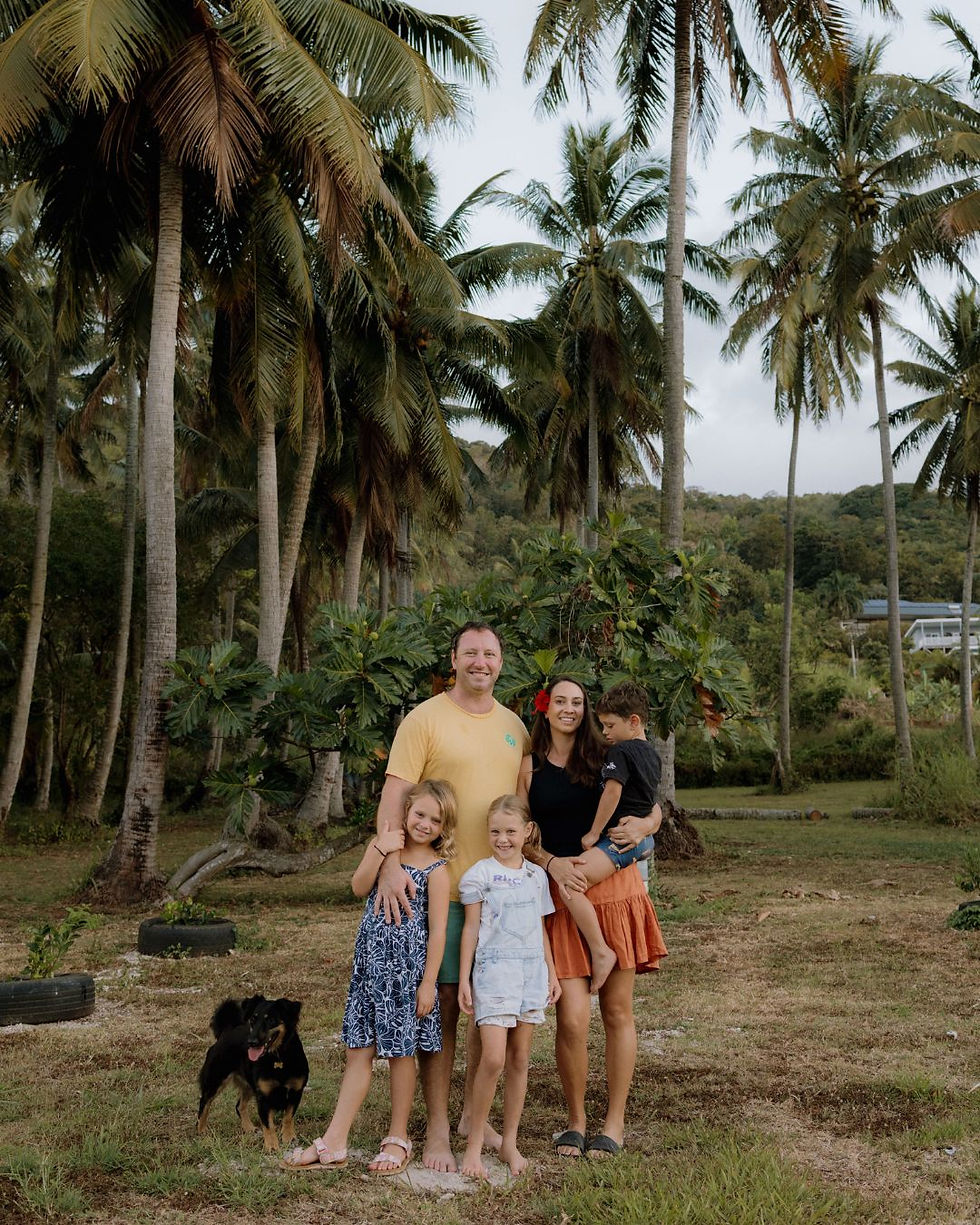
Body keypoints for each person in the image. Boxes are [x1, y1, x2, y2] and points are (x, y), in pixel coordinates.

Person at [372, 622, 531, 1173]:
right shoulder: (425, 718)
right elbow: (395, 795)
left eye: (490, 653)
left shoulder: (515, 726)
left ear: (501, 662)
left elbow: (527, 806)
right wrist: (390, 865)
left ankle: (471, 1116)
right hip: (441, 893)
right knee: (438, 1010)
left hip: (501, 898)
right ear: (455, 659)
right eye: (471, 653)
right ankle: (437, 1128)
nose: (480, 662)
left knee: (485, 1010)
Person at [517, 676, 667, 1160]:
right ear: (545, 708)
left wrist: (646, 825)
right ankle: (576, 1122)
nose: (569, 710)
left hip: (614, 894)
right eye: (559, 701)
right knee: (572, 1020)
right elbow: (519, 833)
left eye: (577, 702)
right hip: (563, 896)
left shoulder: (607, 751)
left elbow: (651, 805)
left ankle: (614, 1123)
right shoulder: (529, 765)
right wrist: (550, 863)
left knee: (618, 1012)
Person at [281, 780, 455, 1174]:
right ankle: (335, 1139)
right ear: (407, 811)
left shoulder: (438, 871)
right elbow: (358, 886)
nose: (425, 824)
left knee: (400, 1054)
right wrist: (379, 848)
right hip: (369, 969)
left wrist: (428, 983)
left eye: (435, 820)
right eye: (420, 814)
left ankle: (398, 1137)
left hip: (405, 977)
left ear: (444, 827)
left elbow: (439, 932)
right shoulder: (386, 850)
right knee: (357, 1051)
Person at [457, 795, 561, 1179]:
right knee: (494, 1058)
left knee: (520, 1059)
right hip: (494, 974)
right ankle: (473, 1146)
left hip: (531, 973)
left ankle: (510, 1144)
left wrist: (551, 972)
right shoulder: (478, 875)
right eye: (495, 832)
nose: (503, 839)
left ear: (527, 832)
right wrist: (466, 977)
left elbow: (540, 928)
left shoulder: (537, 876)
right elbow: (471, 929)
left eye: (511, 831)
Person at [560, 679, 661, 994]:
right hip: (639, 839)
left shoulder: (622, 749)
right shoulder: (651, 754)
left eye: (609, 725)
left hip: (619, 839)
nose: (604, 732)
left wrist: (592, 833)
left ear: (633, 722)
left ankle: (601, 950)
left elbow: (613, 792)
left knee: (570, 880)